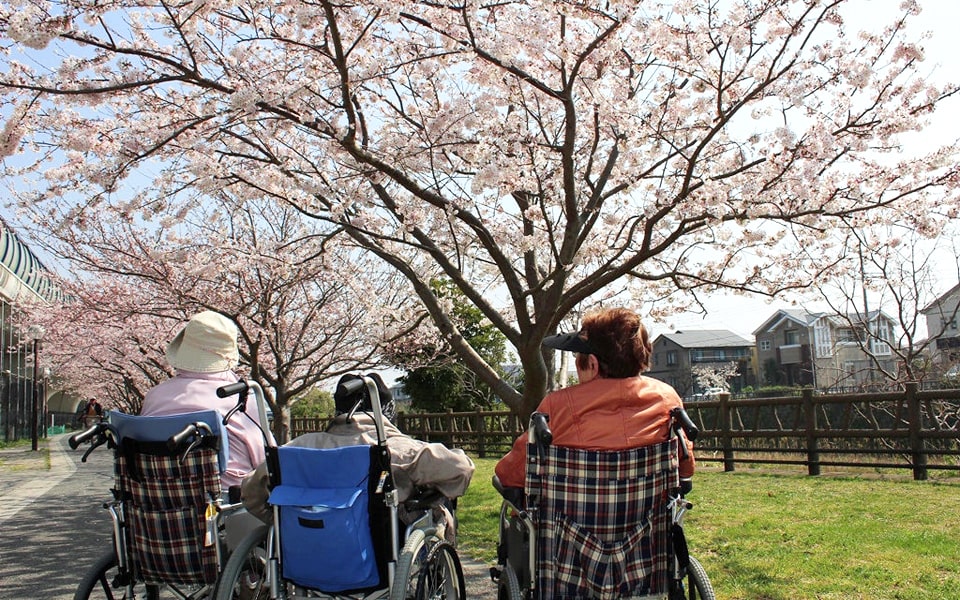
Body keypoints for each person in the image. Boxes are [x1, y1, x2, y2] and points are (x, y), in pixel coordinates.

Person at [494, 307, 695, 496]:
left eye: (577, 355)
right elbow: (685, 468)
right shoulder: (667, 398)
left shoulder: (557, 405)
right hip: (650, 529)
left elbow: (510, 474)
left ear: (592, 363)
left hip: (567, 529)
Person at [241, 373, 475, 528]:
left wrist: (282, 524)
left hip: (308, 551)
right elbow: (461, 469)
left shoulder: (295, 450)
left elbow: (250, 492)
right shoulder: (401, 450)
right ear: (386, 410)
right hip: (381, 553)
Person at [141, 311, 268, 490]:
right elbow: (264, 461)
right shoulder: (238, 397)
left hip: (159, 500)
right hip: (229, 503)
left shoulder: (153, 397)